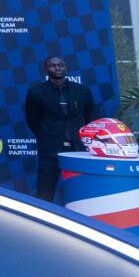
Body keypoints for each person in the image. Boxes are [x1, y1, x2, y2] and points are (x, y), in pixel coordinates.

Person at [24, 55, 97, 202]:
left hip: (78, 149)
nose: (57, 68)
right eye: (53, 65)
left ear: (66, 68)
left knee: (81, 192)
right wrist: (46, 135)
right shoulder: (36, 92)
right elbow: (32, 120)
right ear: (46, 69)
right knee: (45, 194)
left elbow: (89, 117)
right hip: (50, 150)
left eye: (61, 65)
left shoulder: (82, 91)